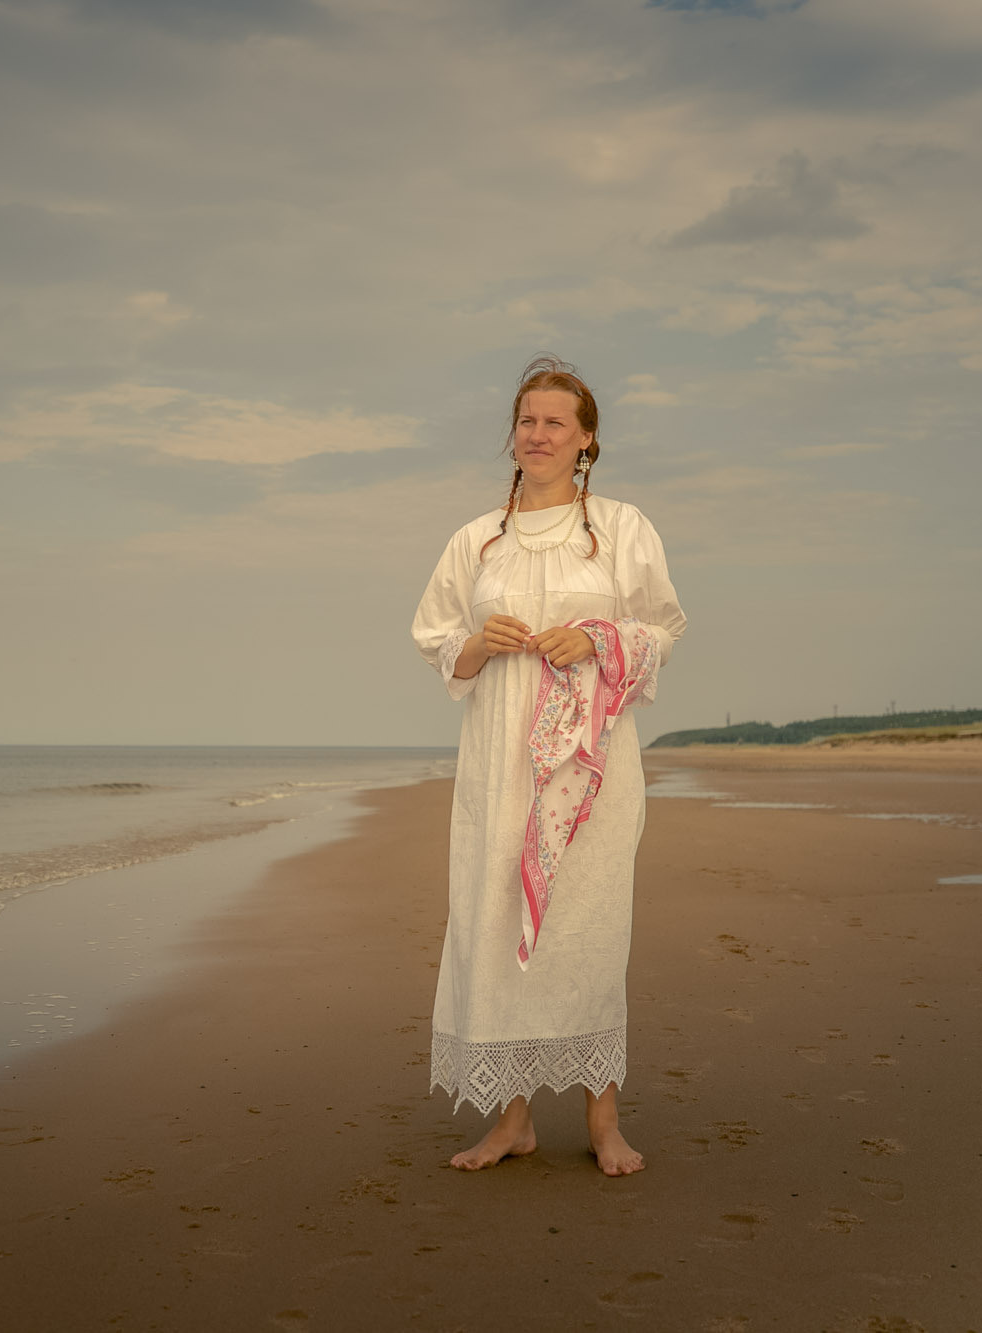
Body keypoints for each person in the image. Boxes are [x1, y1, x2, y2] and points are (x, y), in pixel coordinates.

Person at [409, 355, 687, 1176]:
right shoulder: (476, 539)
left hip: (589, 766)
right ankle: (512, 1120)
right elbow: (435, 641)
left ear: (586, 439)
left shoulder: (623, 528)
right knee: (494, 923)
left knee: (589, 926)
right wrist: (474, 643)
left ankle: (605, 1120)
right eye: (527, 420)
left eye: (555, 421)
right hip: (498, 764)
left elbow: (663, 627)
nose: (537, 434)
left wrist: (597, 638)